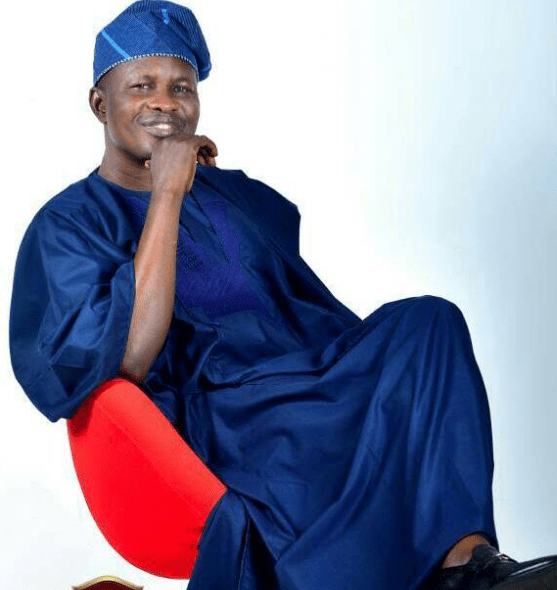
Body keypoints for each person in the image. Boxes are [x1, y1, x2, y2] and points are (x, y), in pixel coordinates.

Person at [8, 2, 557, 589]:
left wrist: (203, 185)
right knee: (311, 423)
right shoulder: (67, 224)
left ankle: (466, 565)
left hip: (302, 374)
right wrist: (165, 194)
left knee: (430, 325)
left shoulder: (226, 196)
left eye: (181, 88)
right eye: (142, 86)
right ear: (100, 104)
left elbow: (301, 307)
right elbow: (133, 356)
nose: (165, 103)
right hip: (220, 413)